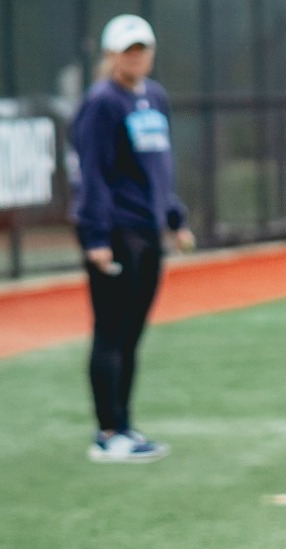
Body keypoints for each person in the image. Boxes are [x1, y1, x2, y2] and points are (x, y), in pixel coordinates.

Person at [71, 14, 193, 464]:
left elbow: (160, 169)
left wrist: (175, 218)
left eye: (142, 49)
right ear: (110, 55)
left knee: (132, 335)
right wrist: (95, 236)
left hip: (147, 231)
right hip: (115, 232)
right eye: (128, 50)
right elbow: (93, 176)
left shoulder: (154, 97)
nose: (136, 57)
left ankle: (125, 425)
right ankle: (107, 433)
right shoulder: (102, 103)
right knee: (111, 331)